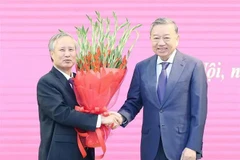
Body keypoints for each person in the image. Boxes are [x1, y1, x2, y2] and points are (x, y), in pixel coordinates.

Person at [110, 18, 208, 160]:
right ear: (150, 39)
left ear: (177, 39)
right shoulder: (142, 67)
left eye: (166, 38)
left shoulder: (193, 66)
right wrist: (120, 117)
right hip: (151, 146)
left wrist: (193, 146)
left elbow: (199, 111)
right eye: (156, 38)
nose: (161, 43)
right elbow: (134, 102)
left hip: (181, 147)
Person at [37, 32, 118, 160]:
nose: (67, 54)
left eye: (71, 49)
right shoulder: (47, 82)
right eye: (62, 50)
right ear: (52, 54)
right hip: (59, 153)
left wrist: (106, 114)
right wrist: (99, 120)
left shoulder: (81, 80)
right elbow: (62, 113)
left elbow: (90, 107)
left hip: (84, 151)